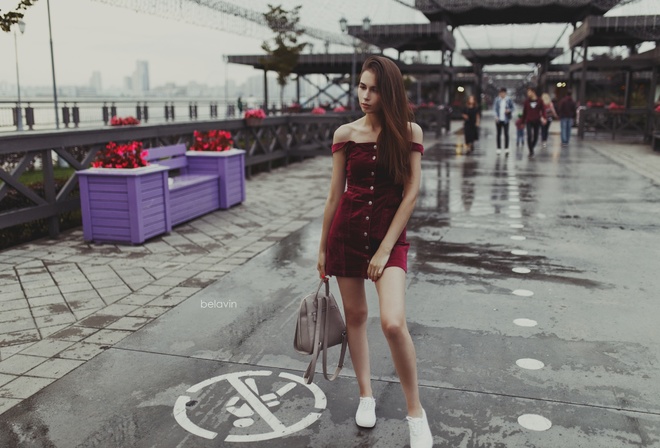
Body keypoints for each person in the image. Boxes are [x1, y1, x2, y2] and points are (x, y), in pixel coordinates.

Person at [317, 55, 433, 448]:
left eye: (374, 88)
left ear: (390, 91)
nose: (365, 95)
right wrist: (321, 249)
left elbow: (412, 192)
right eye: (361, 87)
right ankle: (365, 395)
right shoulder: (345, 134)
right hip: (346, 235)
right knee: (356, 315)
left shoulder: (409, 131)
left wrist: (384, 250)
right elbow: (335, 195)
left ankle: (415, 411)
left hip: (389, 238)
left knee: (393, 322)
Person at [521, 87, 546, 157]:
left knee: (535, 136)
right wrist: (522, 122)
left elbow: (543, 110)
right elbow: (524, 112)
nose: (528, 94)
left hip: (537, 120)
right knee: (529, 135)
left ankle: (532, 146)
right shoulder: (526, 102)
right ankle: (531, 151)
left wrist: (544, 118)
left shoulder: (540, 101)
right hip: (529, 120)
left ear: (533, 92)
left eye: (529, 92)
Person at [493, 87, 514, 155]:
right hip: (498, 119)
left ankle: (506, 148)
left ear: (505, 93)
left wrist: (509, 110)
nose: (502, 94)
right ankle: (498, 148)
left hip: (506, 120)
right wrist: (496, 116)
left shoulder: (508, 100)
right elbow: (495, 109)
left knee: (506, 134)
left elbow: (513, 108)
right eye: (501, 93)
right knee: (498, 134)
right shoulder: (497, 100)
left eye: (503, 93)